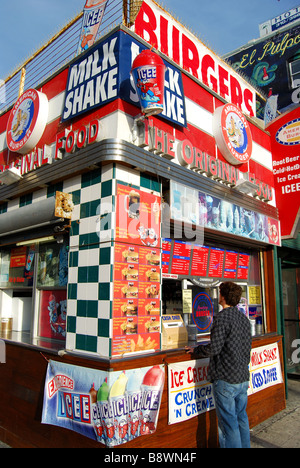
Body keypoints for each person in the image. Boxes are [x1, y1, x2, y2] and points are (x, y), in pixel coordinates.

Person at [186, 282, 252, 448]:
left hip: (226, 378)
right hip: (243, 377)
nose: (218, 296)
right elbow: (246, 347)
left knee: (229, 424)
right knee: (241, 418)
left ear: (223, 296)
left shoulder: (222, 318)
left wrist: (197, 349)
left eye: (220, 293)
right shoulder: (243, 318)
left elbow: (214, 348)